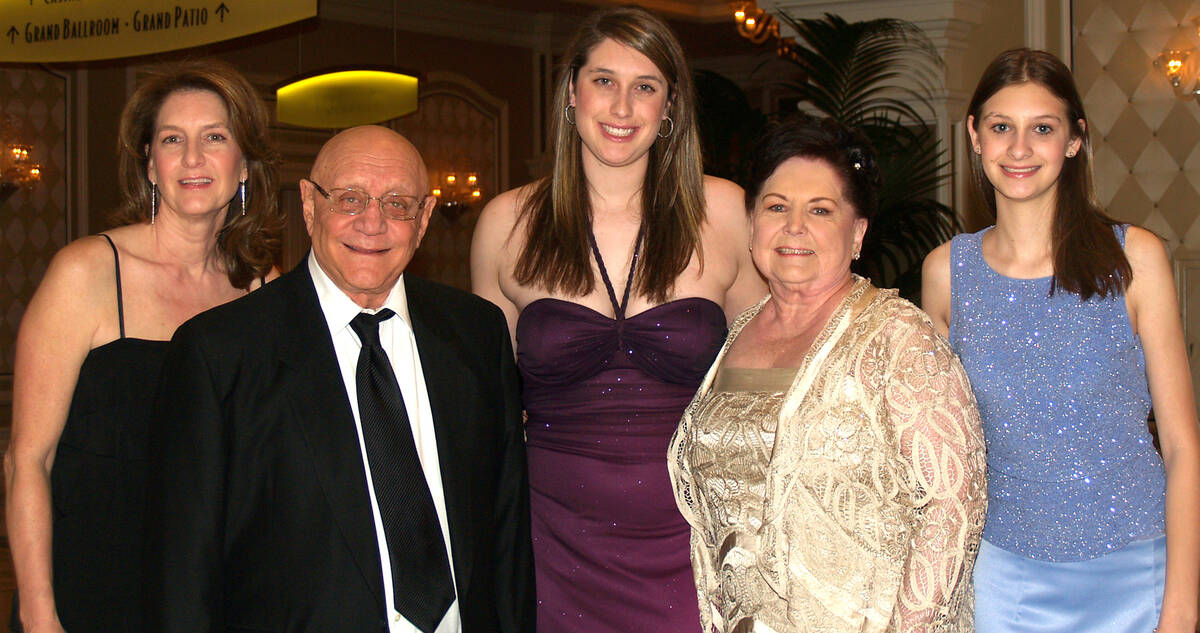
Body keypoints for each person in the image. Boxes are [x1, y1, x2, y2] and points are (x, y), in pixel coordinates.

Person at [144, 125, 535, 633]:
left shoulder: (477, 334)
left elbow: (508, 536)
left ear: (424, 219)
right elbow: (182, 572)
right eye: (349, 199)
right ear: (308, 204)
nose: (372, 223)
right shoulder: (219, 353)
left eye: (397, 204)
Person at [470, 6, 765, 632]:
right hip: (550, 543)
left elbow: (764, 384)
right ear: (571, 92)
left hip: (695, 539)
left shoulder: (725, 211)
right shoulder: (505, 222)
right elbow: (485, 406)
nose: (622, 106)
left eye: (645, 86)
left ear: (672, 106)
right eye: (604, 80)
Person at [669, 115, 988, 633]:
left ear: (857, 232)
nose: (794, 226)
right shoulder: (738, 332)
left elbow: (953, 508)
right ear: (751, 226)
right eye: (776, 207)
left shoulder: (897, 337)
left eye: (821, 210)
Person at [922, 48, 1200, 633]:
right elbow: (945, 449)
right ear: (975, 136)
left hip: (1134, 570)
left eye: (1041, 129)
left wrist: (1182, 609)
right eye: (1001, 128)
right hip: (1005, 578)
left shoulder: (1135, 258)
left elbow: (1180, 446)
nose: (1018, 149)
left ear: (1074, 141)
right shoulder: (947, 272)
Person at [3, 60, 281, 633]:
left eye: (215, 138)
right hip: (92, 587)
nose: (193, 158)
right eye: (172, 139)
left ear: (245, 165)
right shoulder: (86, 271)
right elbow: (28, 459)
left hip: (215, 590)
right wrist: (38, 612)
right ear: (150, 165)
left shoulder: (264, 288)